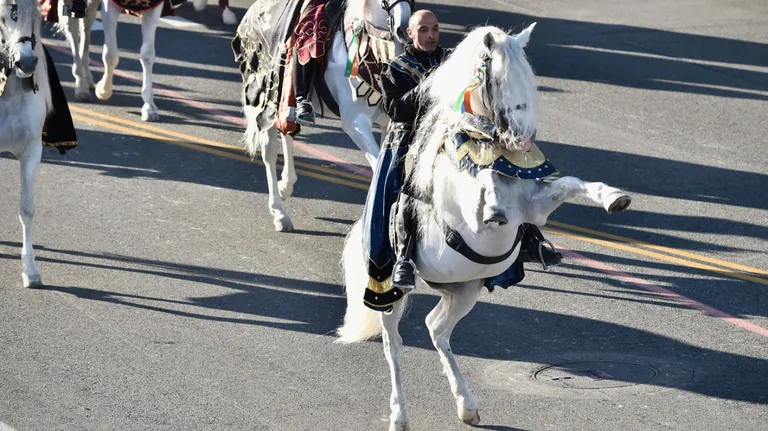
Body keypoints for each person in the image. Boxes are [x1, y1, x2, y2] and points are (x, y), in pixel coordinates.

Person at [361, 11, 562, 312]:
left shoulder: (454, 58)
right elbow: (396, 110)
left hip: (458, 131)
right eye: (424, 30)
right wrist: (432, 86)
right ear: (408, 34)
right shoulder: (395, 68)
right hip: (412, 139)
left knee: (509, 169)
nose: (431, 35)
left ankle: (530, 240)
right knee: (405, 185)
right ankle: (403, 257)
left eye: (435, 29)